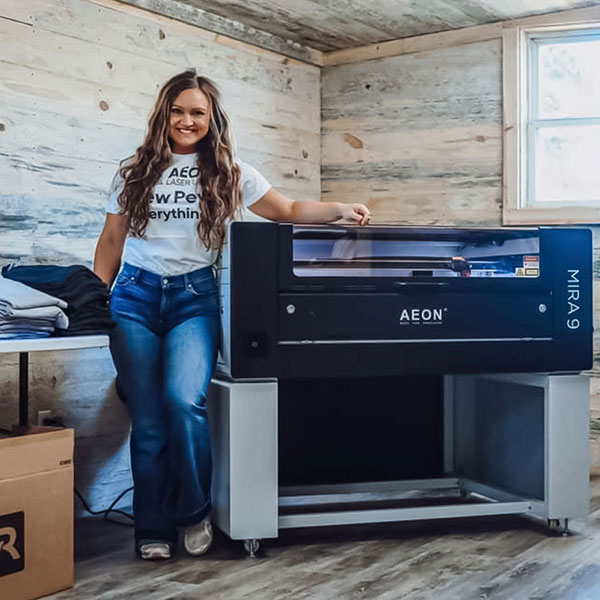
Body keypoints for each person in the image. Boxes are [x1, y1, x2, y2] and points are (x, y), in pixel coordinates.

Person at [93, 69, 371, 560]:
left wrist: (338, 209)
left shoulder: (230, 172)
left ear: (211, 119)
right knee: (150, 418)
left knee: (185, 403)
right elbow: (112, 241)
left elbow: (285, 209)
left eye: (197, 112)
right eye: (178, 111)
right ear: (164, 114)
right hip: (133, 297)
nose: (186, 120)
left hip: (193, 300)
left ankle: (194, 510)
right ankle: (151, 528)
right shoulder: (133, 169)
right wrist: (95, 300)